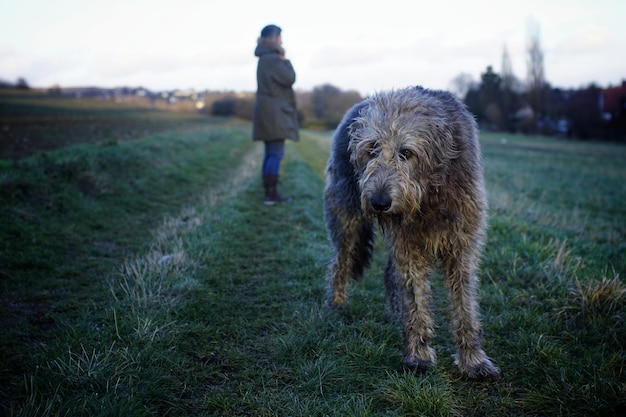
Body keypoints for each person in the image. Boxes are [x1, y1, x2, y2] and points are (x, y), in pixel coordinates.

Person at [252, 24, 299, 205]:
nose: (281, 40)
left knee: (270, 153)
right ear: (272, 38)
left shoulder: (264, 58)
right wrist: (285, 60)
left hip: (268, 111)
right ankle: (270, 195)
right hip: (274, 113)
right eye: (279, 37)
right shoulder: (272, 59)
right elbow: (290, 78)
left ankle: (269, 192)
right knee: (276, 153)